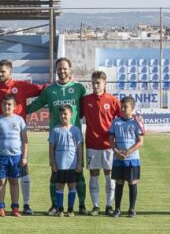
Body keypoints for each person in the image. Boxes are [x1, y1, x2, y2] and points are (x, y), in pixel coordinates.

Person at [0, 60, 44, 215]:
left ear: (10, 72)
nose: (0, 74)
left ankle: (24, 205)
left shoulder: (22, 86)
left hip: (18, 147)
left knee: (22, 176)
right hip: (0, 145)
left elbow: (42, 90)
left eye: (3, 71)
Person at [27, 57, 88, 216]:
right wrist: (19, 111)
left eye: (65, 68)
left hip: (75, 139)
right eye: (59, 69)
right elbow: (37, 104)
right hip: (57, 140)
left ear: (70, 69)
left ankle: (81, 205)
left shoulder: (79, 88)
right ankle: (55, 206)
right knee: (55, 174)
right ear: (56, 70)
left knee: (78, 173)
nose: (62, 71)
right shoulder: (49, 90)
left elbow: (89, 106)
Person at [80, 71, 121, 216]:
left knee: (109, 175)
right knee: (94, 174)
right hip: (92, 144)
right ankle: (96, 206)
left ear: (105, 83)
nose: (95, 85)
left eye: (98, 83)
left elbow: (121, 120)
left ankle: (109, 205)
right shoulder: (85, 100)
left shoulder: (113, 100)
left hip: (109, 145)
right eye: (93, 83)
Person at [0, 94, 28, 217]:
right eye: (4, 104)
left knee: (14, 181)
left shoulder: (20, 120)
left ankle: (15, 208)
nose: (7, 106)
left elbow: (25, 140)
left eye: (9, 104)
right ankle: (1, 208)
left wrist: (24, 157)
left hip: (16, 156)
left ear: (14, 106)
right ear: (1, 105)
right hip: (0, 156)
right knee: (0, 182)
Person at [109, 96, 144, 218]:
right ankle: (117, 209)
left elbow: (140, 141)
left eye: (126, 107)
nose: (123, 109)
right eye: (121, 106)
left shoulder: (136, 122)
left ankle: (132, 209)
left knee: (132, 182)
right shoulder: (116, 122)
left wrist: (128, 152)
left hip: (132, 158)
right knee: (119, 182)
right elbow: (111, 139)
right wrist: (116, 151)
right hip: (118, 158)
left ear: (132, 108)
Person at [49, 105, 83, 217]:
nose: (63, 116)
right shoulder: (55, 130)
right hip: (60, 165)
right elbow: (51, 147)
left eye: (65, 114)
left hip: (72, 165)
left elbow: (79, 148)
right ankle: (60, 209)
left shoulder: (76, 130)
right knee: (59, 187)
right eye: (61, 114)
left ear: (71, 115)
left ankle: (70, 209)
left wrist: (79, 163)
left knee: (72, 186)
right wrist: (53, 163)